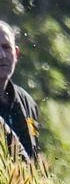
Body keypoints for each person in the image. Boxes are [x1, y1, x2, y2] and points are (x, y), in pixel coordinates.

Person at [0, 20, 46, 165]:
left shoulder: (27, 103)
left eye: (6, 47)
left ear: (17, 53)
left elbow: (33, 158)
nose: (1, 55)